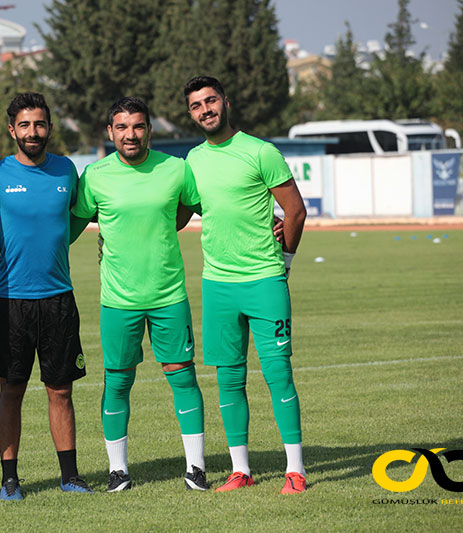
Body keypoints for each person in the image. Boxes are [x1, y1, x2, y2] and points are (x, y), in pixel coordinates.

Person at [71, 97, 209, 493]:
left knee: (183, 377)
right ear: (110, 132)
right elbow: (67, 230)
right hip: (118, 300)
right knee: (117, 382)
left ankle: (196, 468)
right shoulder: (94, 176)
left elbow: (200, 209)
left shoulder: (177, 169)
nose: (130, 134)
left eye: (137, 126)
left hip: (169, 296)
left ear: (149, 129)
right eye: (121, 127)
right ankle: (118, 471)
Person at [182, 75, 308, 494]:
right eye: (197, 105)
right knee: (228, 379)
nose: (206, 109)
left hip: (264, 282)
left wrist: (284, 262)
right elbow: (180, 214)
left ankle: (296, 470)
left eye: (211, 100)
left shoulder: (260, 151)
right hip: (217, 286)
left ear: (226, 102)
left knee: (278, 374)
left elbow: (295, 211)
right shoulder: (193, 161)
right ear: (191, 114)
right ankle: (241, 470)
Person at [0, 93, 92, 501]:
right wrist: (3, 235)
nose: (32, 132)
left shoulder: (66, 170)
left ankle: (71, 476)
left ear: (49, 128)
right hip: (11, 300)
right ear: (12, 130)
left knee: (61, 390)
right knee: (12, 389)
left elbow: (77, 216)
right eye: (24, 125)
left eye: (39, 124)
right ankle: (10, 479)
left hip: (59, 297)